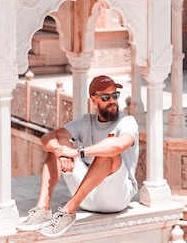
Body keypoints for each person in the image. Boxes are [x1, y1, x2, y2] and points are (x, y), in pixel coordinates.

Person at [17, 74, 139, 238]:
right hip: (86, 196)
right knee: (57, 142)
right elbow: (46, 138)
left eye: (115, 95)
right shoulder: (85, 122)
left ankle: (69, 211)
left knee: (109, 151)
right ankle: (43, 209)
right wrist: (62, 153)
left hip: (115, 198)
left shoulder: (127, 122)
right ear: (94, 100)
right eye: (106, 97)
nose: (112, 100)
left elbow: (120, 145)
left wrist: (77, 152)